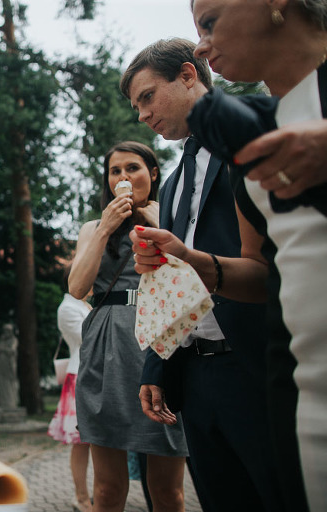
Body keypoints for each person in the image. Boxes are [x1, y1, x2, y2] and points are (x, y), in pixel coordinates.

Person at [120, 38, 289, 512]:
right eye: (137, 107)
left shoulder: (256, 137)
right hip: (194, 377)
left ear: (189, 75)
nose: (143, 115)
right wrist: (157, 366)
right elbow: (170, 282)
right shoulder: (173, 183)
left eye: (148, 97)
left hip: (256, 363)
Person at [188, 2, 327, 509]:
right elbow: (265, 269)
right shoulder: (256, 129)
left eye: (210, 22)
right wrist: (198, 264)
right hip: (300, 384)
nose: (201, 45)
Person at [67, 141, 187, 512]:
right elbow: (77, 288)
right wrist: (105, 228)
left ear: (153, 173)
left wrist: (161, 225)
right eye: (115, 171)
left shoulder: (174, 218)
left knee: (167, 491)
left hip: (160, 340)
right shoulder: (93, 227)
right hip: (108, 345)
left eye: (132, 168)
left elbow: (194, 278)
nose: (124, 177)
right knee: (106, 489)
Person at [48, 263, 93, 512]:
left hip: (94, 374)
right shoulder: (67, 308)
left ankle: (95, 495)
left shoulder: (85, 305)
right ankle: (81, 496)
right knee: (81, 441)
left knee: (95, 441)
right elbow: (89, 340)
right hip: (80, 375)